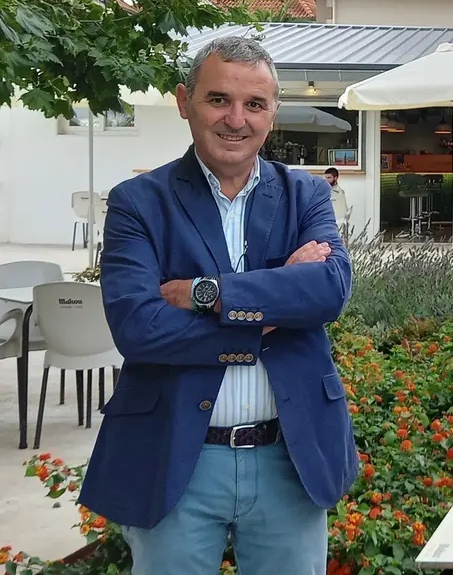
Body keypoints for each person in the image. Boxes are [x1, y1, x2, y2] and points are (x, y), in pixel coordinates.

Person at [79, 36, 358, 574]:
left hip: (290, 456)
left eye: (254, 104)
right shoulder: (138, 203)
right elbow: (139, 328)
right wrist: (273, 308)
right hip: (175, 455)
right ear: (185, 102)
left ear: (273, 113)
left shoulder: (306, 196)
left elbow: (329, 290)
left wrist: (208, 294)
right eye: (218, 100)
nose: (237, 119)